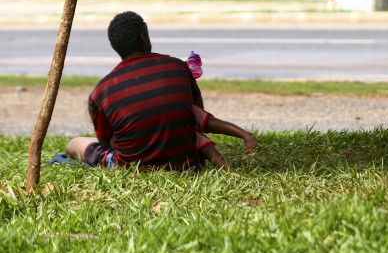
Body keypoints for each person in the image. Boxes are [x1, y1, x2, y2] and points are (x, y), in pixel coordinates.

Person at [66, 11, 256, 169]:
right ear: (143, 37)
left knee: (75, 143)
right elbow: (195, 112)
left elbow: (105, 141)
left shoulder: (101, 91)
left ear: (115, 46)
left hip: (134, 166)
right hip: (186, 161)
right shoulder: (178, 67)